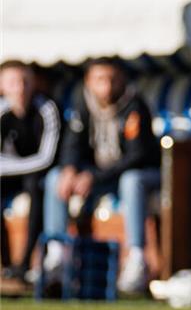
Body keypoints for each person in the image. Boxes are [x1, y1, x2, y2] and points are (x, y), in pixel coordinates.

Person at [42, 58, 161, 293]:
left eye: (112, 79)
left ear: (122, 80)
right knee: (56, 177)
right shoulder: (83, 103)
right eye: (100, 80)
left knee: (132, 180)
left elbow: (136, 156)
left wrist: (93, 177)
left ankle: (137, 258)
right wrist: (70, 170)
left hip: (139, 176)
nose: (106, 86)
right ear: (89, 81)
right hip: (101, 178)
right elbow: (72, 145)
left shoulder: (135, 106)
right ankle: (57, 254)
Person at [0, 61, 61, 282]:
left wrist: (8, 165)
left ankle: (25, 263)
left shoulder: (46, 109)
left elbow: (47, 158)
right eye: (13, 82)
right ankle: (5, 265)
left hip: (38, 176)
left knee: (36, 186)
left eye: (25, 82)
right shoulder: (2, 113)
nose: (20, 88)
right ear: (2, 86)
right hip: (12, 176)